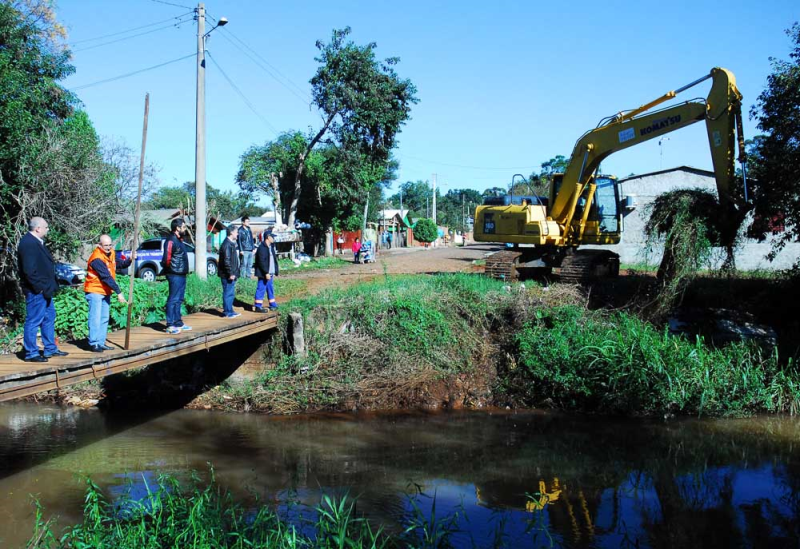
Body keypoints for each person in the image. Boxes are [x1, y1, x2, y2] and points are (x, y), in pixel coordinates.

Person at [17, 217, 68, 362]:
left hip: (45, 290)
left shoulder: (36, 242)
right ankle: (31, 353)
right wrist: (39, 288)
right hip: (36, 290)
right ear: (38, 228)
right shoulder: (28, 243)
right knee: (33, 320)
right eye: (46, 227)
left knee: (49, 317)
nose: (48, 229)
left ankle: (50, 348)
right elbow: (29, 270)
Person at [84, 235, 131, 352]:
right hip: (95, 290)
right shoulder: (96, 259)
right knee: (95, 318)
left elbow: (119, 265)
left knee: (104, 317)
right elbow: (106, 277)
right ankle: (94, 343)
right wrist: (119, 292)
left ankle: (101, 341)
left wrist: (129, 260)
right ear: (99, 245)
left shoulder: (111, 253)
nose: (109, 247)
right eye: (106, 245)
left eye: (110, 245)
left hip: (105, 291)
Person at [162, 218, 191, 334]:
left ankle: (178, 322)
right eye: (183, 227)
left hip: (181, 273)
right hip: (174, 274)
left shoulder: (180, 240)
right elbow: (166, 259)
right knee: (173, 299)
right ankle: (170, 324)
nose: (185, 229)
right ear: (177, 228)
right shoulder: (170, 241)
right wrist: (171, 270)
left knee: (179, 299)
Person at [253, 230, 279, 312]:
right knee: (261, 288)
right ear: (268, 237)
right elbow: (261, 262)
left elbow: (273, 260)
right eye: (272, 237)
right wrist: (266, 273)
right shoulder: (262, 248)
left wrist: (275, 270)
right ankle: (257, 306)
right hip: (264, 273)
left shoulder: (270, 247)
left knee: (270, 287)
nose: (274, 238)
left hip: (270, 272)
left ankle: (272, 304)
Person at [219, 224, 241, 318]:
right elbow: (226, 261)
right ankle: (227, 312)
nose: (238, 234)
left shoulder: (231, 243)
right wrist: (230, 273)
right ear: (231, 232)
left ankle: (230, 310)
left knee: (231, 293)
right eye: (236, 232)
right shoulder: (227, 244)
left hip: (232, 273)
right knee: (228, 293)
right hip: (227, 274)